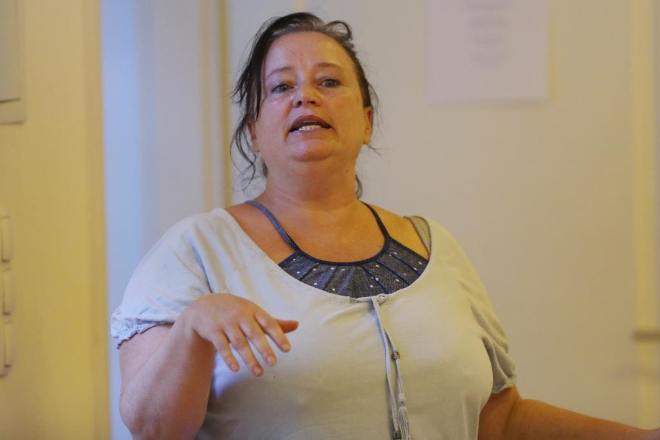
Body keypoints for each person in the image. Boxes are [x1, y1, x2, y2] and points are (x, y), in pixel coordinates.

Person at [111, 12, 660, 440]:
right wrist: (193, 330)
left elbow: (498, 420)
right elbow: (153, 429)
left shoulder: (434, 244)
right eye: (280, 87)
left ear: (367, 120)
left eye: (329, 81)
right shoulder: (195, 251)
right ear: (253, 130)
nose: (305, 95)